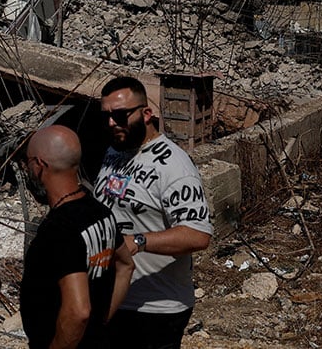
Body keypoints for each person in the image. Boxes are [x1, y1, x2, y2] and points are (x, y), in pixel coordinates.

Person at [93, 76, 213, 349]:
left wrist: (137, 242)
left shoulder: (174, 167)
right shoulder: (115, 150)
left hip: (156, 309)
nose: (112, 123)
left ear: (147, 114)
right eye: (107, 116)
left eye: (121, 115)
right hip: (113, 300)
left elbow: (198, 235)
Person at [21, 125, 134, 349]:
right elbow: (126, 266)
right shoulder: (100, 212)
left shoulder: (59, 230)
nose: (27, 170)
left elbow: (78, 311)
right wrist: (100, 323)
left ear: (40, 164)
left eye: (28, 163)